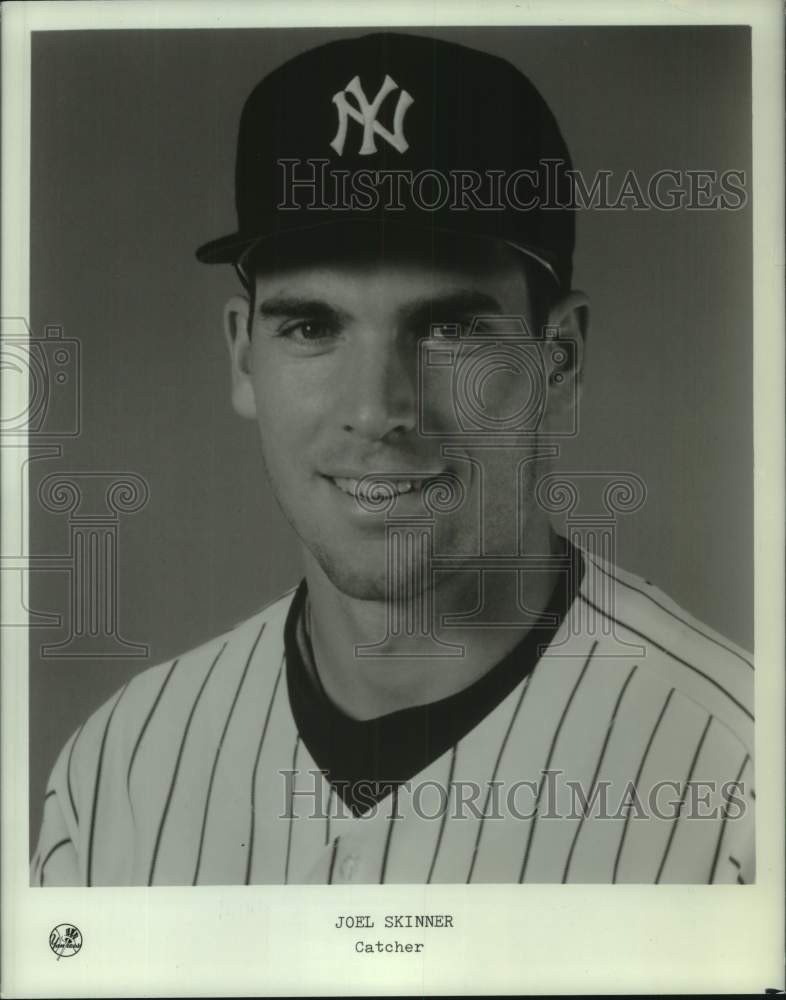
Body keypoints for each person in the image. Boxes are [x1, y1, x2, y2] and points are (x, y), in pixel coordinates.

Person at [31, 31, 754, 886]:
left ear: (557, 362)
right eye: (312, 327)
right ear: (242, 358)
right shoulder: (117, 770)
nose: (378, 409)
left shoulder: (743, 780)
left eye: (450, 327)